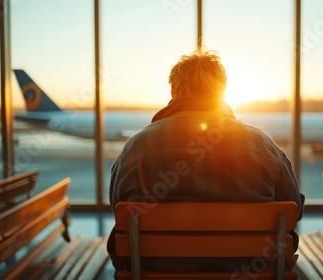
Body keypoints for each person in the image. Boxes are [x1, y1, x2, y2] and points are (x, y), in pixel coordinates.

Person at [107, 48, 304, 273]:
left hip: (157, 273)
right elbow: (293, 210)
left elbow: (118, 208)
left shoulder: (134, 147)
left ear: (173, 91)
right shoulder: (263, 145)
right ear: (222, 92)